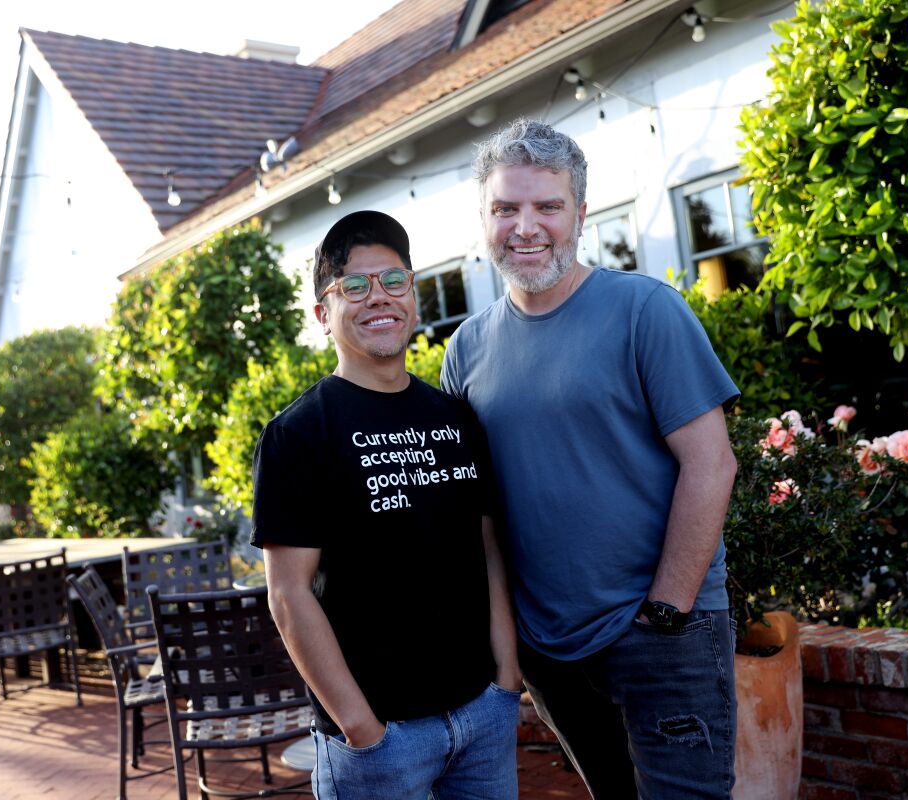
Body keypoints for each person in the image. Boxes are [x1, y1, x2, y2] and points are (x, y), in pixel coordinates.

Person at [441, 118, 740, 799]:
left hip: (664, 631)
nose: (526, 227)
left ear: (579, 213)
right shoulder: (467, 346)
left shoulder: (646, 310)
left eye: (547, 206)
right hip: (548, 645)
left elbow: (712, 465)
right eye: (505, 208)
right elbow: (477, 505)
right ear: (484, 219)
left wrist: (667, 611)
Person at [251, 210, 522, 800]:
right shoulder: (298, 435)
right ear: (323, 315)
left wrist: (506, 678)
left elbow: (487, 548)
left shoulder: (454, 416)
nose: (379, 297)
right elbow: (288, 594)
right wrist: (361, 728)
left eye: (394, 280)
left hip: (482, 717)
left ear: (414, 299)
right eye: (354, 285)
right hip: (379, 743)